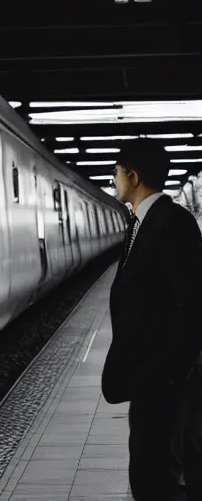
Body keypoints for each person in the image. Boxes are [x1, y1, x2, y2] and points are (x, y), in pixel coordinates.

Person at [101, 139, 202, 501]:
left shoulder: (173, 222)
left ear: (134, 175)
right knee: (146, 466)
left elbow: (192, 303)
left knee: (158, 472)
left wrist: (171, 372)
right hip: (149, 377)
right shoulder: (143, 223)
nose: (113, 179)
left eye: (116, 172)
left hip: (164, 381)